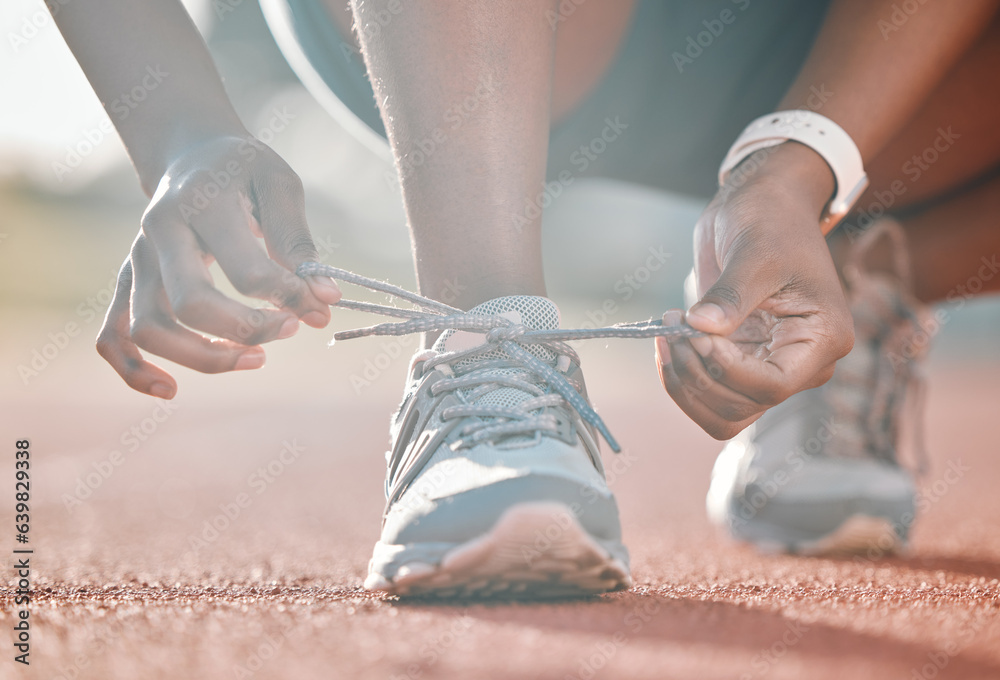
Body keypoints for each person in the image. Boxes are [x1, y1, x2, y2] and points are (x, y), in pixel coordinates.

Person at [51, 0, 1000, 596]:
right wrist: (181, 135)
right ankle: (491, 349)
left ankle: (828, 294)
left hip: (860, 51)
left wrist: (800, 169)